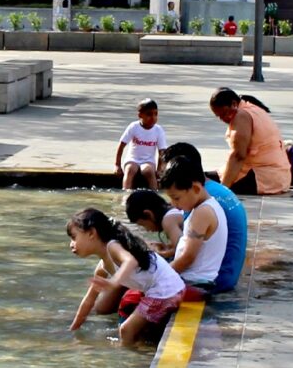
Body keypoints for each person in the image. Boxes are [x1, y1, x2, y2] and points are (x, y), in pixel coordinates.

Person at [65, 207, 185, 346]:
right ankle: (138, 349)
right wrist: (74, 328)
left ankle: (130, 362)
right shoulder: (102, 266)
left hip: (166, 292)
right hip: (163, 291)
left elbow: (130, 261)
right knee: (133, 330)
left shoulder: (113, 246)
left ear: (91, 233)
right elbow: (89, 301)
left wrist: (114, 282)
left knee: (126, 330)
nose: (71, 244)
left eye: (74, 237)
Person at [155, 159, 231, 294]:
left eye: (176, 198)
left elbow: (188, 257)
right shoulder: (205, 207)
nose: (173, 204)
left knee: (133, 294)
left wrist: (161, 275)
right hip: (194, 281)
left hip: (195, 284)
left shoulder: (202, 213)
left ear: (196, 188)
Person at [208, 87, 289, 196]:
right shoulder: (252, 109)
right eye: (219, 116)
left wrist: (223, 190)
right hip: (278, 178)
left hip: (263, 177)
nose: (223, 119)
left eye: (224, 114)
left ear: (233, 103)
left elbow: (238, 156)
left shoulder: (241, 116)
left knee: (200, 184)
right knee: (198, 179)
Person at [116, 98, 167, 191]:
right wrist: (117, 165)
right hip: (132, 159)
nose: (153, 117)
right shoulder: (133, 127)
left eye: (156, 114)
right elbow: (122, 144)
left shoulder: (158, 130)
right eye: (149, 114)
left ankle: (154, 195)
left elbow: (162, 152)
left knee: (148, 171)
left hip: (148, 160)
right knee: (130, 170)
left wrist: (160, 169)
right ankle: (126, 195)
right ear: (140, 115)